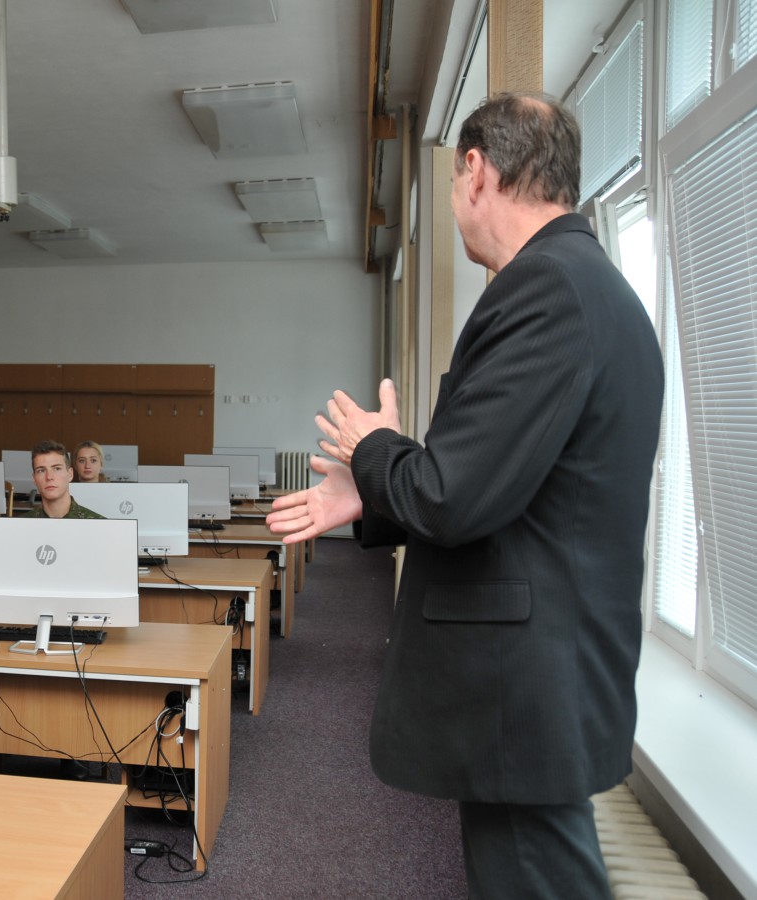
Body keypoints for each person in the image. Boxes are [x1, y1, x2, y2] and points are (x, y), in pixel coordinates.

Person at [266, 93, 664, 898]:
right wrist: (373, 493)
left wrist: (371, 447)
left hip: (524, 678)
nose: (454, 203)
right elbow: (498, 481)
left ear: (475, 171)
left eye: (452, 183)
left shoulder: (546, 290)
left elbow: (450, 496)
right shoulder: (583, 283)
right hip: (543, 669)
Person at [25, 440, 104, 519]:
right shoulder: (22, 523)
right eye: (41, 471)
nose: (49, 477)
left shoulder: (99, 523)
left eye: (57, 469)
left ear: (70, 474)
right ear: (34, 479)